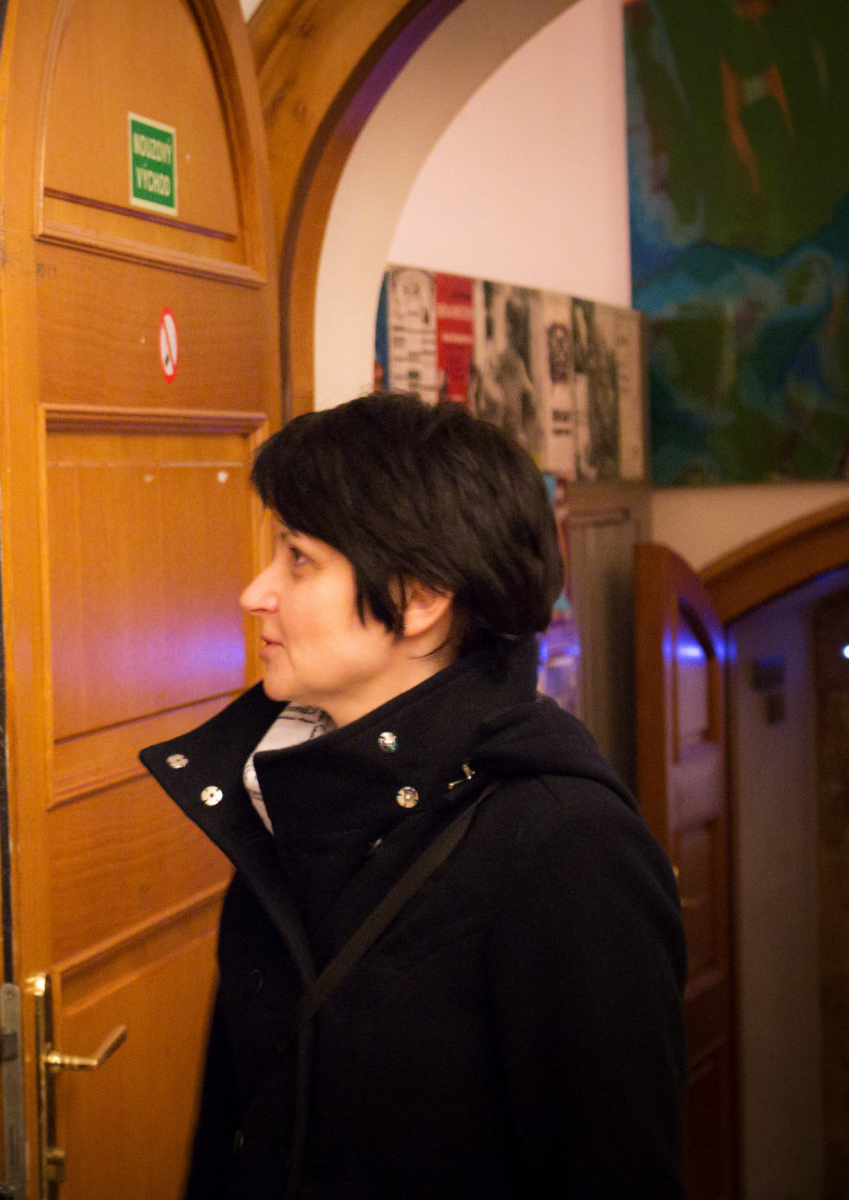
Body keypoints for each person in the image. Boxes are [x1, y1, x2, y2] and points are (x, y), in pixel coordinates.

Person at [139, 393, 686, 1199]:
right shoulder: (282, 797)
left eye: (299, 560)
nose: (257, 592)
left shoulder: (566, 847)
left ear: (421, 599)